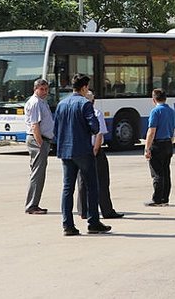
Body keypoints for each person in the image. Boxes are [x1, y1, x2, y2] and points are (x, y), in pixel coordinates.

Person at [53, 74, 112, 236]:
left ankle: (67, 225)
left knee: (67, 188)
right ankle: (93, 222)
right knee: (92, 186)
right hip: (83, 151)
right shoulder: (85, 104)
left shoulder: (62, 104)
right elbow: (94, 127)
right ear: (85, 87)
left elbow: (56, 129)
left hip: (65, 151)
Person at [77, 91, 124, 219]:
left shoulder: (77, 113)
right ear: (93, 101)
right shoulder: (96, 113)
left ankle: (83, 210)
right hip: (94, 151)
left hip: (80, 151)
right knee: (102, 181)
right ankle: (106, 210)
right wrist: (95, 150)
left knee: (82, 181)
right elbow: (99, 134)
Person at [23, 78, 54, 215]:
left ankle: (34, 204)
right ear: (35, 89)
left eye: (46, 89)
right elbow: (35, 125)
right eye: (42, 89)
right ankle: (32, 205)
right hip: (38, 141)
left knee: (38, 173)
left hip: (41, 140)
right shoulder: (35, 103)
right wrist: (41, 144)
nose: (44, 92)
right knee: (37, 174)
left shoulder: (42, 102)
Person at [144, 88, 175, 207]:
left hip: (157, 144)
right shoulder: (171, 111)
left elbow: (151, 131)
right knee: (166, 171)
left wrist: (147, 148)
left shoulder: (155, 112)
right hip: (168, 143)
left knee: (157, 173)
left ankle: (157, 199)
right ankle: (165, 198)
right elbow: (174, 130)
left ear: (153, 99)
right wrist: (170, 142)